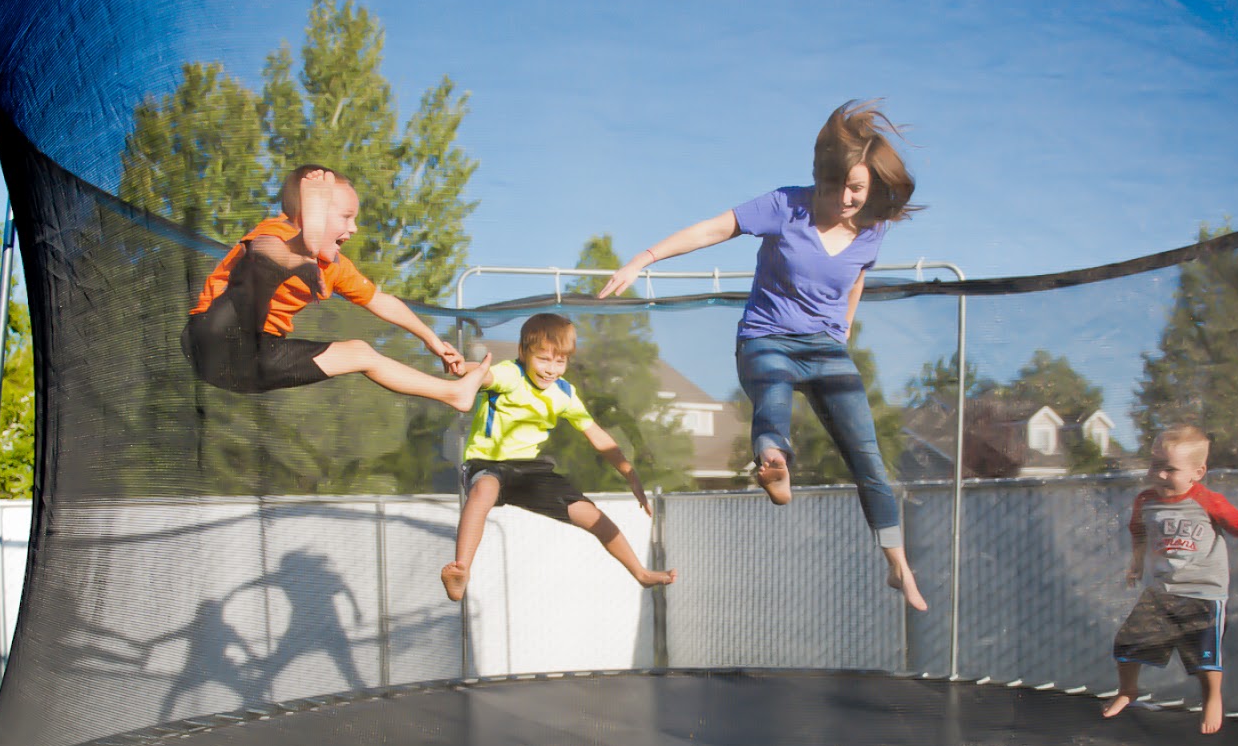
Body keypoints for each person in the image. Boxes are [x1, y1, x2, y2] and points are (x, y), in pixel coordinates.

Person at [597, 100, 926, 610]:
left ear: (871, 189)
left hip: (825, 348)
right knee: (771, 395)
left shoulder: (873, 228)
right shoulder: (785, 206)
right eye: (835, 186)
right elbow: (713, 228)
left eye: (857, 189)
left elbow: (856, 280)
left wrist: (843, 330)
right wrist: (644, 258)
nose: (845, 198)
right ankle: (773, 461)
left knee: (869, 460)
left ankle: (897, 565)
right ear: (820, 176)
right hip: (766, 336)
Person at [183, 164, 488, 402]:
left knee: (361, 352)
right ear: (304, 212)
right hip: (213, 335)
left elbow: (381, 302)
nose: (353, 228)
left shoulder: (335, 268)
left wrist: (431, 340)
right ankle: (301, 250)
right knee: (265, 260)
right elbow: (263, 249)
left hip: (255, 361)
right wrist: (297, 257)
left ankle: (453, 394)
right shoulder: (276, 229)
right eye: (345, 217)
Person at [440, 313, 677, 601]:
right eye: (543, 359)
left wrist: (630, 473)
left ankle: (640, 573)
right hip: (487, 464)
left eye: (559, 361)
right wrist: (461, 366)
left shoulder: (564, 394)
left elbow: (598, 436)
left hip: (530, 471)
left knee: (593, 516)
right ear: (523, 354)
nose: (551, 369)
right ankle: (461, 569)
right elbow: (483, 373)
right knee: (485, 489)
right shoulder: (511, 374)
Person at [1102, 425, 1238, 734]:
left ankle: (1212, 698)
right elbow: (1139, 533)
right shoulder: (1145, 501)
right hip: (1161, 591)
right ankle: (1128, 690)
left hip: (1204, 593)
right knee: (1127, 644)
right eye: (1155, 466)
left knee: (1204, 658)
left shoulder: (1208, 500)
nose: (1160, 475)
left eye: (1170, 469)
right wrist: (1136, 565)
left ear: (1198, 472)